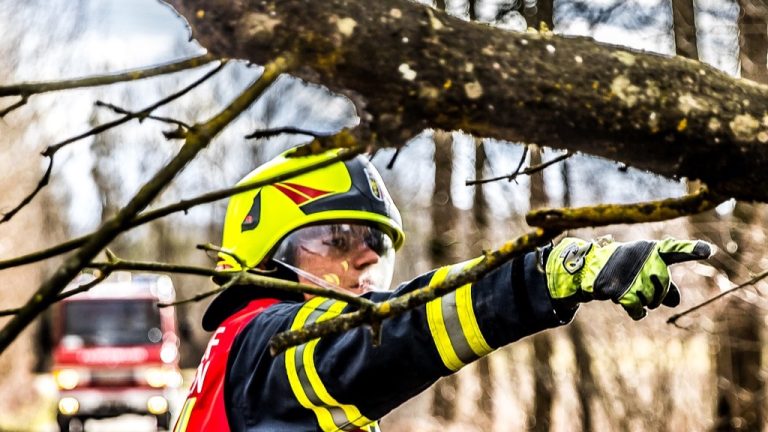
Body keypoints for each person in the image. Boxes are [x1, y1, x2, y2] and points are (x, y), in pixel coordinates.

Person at [173, 147, 713, 432]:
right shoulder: (271, 343)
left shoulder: (234, 358)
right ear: (266, 257)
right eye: (337, 238)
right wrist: (547, 274)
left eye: (376, 243)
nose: (365, 255)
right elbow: (395, 332)